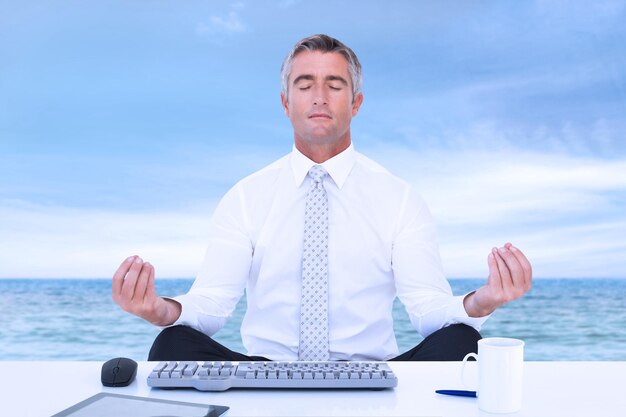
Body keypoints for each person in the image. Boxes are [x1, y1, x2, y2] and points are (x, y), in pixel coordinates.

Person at [112, 34, 532, 362]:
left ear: (356, 103)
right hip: (264, 368)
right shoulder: (245, 197)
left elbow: (428, 311)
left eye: (334, 85)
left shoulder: (399, 198)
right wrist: (155, 308)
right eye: (305, 84)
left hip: (375, 369)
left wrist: (485, 299)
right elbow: (210, 308)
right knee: (173, 345)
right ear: (285, 103)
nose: (319, 96)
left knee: (462, 341)